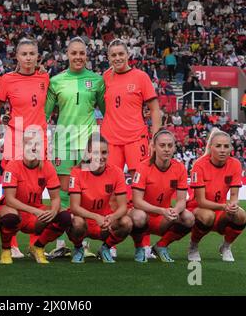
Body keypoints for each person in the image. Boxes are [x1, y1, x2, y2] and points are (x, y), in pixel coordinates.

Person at [45, 37, 105, 258]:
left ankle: (84, 244)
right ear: (67, 55)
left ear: (87, 55)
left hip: (88, 146)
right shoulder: (56, 81)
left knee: (85, 195)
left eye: (82, 53)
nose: (78, 57)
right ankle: (61, 243)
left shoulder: (97, 81)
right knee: (63, 195)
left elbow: (108, 113)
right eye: (74, 53)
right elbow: (44, 114)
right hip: (62, 143)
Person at [101, 38, 161, 258]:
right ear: (108, 58)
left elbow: (154, 109)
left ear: (128, 55)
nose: (117, 58)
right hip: (111, 141)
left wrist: (155, 137)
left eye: (120, 54)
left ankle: (142, 244)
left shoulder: (141, 77)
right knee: (112, 193)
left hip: (136, 139)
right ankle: (112, 243)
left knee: (141, 191)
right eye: (113, 55)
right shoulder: (105, 77)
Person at [0, 37, 50, 257]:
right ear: (16, 56)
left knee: (36, 188)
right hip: (15, 137)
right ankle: (13, 244)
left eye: (32, 54)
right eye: (24, 54)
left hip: (38, 138)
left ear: (37, 56)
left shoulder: (45, 77)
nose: (28, 58)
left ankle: (35, 243)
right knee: (13, 188)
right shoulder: (7, 80)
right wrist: (4, 119)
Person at [0, 129, 72, 264]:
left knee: (65, 216)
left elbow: (55, 198)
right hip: (15, 211)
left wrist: (53, 211)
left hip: (35, 213)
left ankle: (38, 246)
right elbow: (9, 199)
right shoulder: (13, 166)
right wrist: (34, 211)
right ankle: (6, 249)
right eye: (29, 144)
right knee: (10, 216)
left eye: (36, 144)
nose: (33, 147)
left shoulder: (47, 167)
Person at [130, 130, 195, 262]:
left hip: (163, 218)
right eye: (162, 145)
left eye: (170, 145)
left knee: (189, 218)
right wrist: (161, 211)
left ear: (174, 147)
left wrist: (175, 211)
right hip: (144, 215)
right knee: (138, 216)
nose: (166, 149)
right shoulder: (143, 167)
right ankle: (139, 247)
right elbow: (137, 202)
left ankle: (161, 245)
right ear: (153, 147)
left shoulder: (180, 168)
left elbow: (182, 200)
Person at [68, 133, 132, 263]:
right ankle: (79, 248)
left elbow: (123, 207)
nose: (101, 157)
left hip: (105, 222)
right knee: (76, 223)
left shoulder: (116, 172)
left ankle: (105, 248)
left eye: (104, 153)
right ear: (89, 153)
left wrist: (111, 217)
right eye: (96, 152)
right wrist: (96, 217)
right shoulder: (77, 172)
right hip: (85, 222)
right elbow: (74, 207)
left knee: (127, 222)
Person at [188, 128, 246, 262]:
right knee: (208, 215)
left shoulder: (235, 164)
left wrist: (232, 205)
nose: (222, 150)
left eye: (226, 146)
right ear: (211, 147)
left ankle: (226, 247)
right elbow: (201, 202)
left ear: (231, 148)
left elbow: (234, 196)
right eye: (218, 146)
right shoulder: (199, 165)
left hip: (220, 209)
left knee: (241, 215)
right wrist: (225, 207)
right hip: (196, 208)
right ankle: (193, 246)